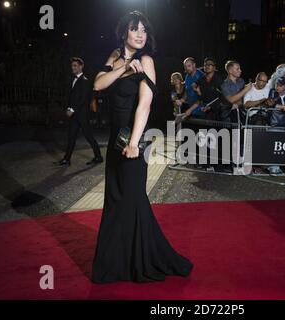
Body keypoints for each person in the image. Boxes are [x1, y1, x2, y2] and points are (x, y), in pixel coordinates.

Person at [91, 11, 193, 283]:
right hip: (116, 138)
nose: (140, 34)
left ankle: (145, 260)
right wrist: (123, 68)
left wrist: (135, 142)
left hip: (136, 137)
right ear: (124, 31)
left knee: (133, 199)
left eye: (144, 31)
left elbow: (144, 105)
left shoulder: (146, 60)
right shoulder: (115, 56)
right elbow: (98, 84)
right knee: (114, 200)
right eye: (135, 29)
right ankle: (116, 263)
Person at [56, 57, 103, 166]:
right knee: (71, 136)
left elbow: (83, 98)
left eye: (75, 66)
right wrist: (68, 107)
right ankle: (67, 159)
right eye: (72, 66)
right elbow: (72, 97)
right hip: (74, 115)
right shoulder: (73, 79)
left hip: (82, 114)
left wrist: (72, 109)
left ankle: (98, 156)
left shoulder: (85, 80)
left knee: (89, 136)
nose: (73, 68)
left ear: (81, 66)